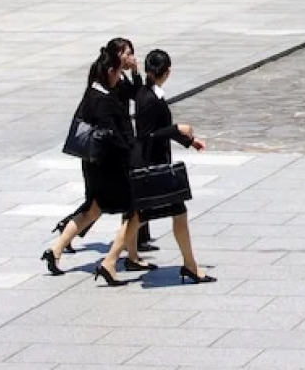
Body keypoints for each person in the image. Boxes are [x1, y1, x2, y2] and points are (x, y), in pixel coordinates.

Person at [42, 46, 142, 285]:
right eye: (118, 73)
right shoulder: (103, 99)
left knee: (93, 209)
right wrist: (131, 152)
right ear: (110, 71)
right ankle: (111, 262)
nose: (120, 78)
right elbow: (112, 134)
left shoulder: (93, 92)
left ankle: (55, 250)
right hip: (109, 165)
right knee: (135, 209)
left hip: (93, 163)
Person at [53, 38, 149, 253]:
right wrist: (126, 150)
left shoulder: (116, 80)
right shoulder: (103, 91)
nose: (131, 57)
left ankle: (131, 250)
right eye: (127, 53)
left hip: (114, 149)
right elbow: (107, 127)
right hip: (108, 155)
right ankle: (70, 236)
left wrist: (135, 72)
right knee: (102, 205)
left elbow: (137, 94)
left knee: (100, 206)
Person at [131, 50, 216, 283]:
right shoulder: (148, 97)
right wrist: (177, 129)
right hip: (153, 166)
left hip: (155, 165)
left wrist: (188, 141)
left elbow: (159, 130)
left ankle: (190, 265)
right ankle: (190, 266)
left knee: (142, 217)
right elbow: (148, 135)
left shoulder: (148, 93)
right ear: (167, 72)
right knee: (162, 214)